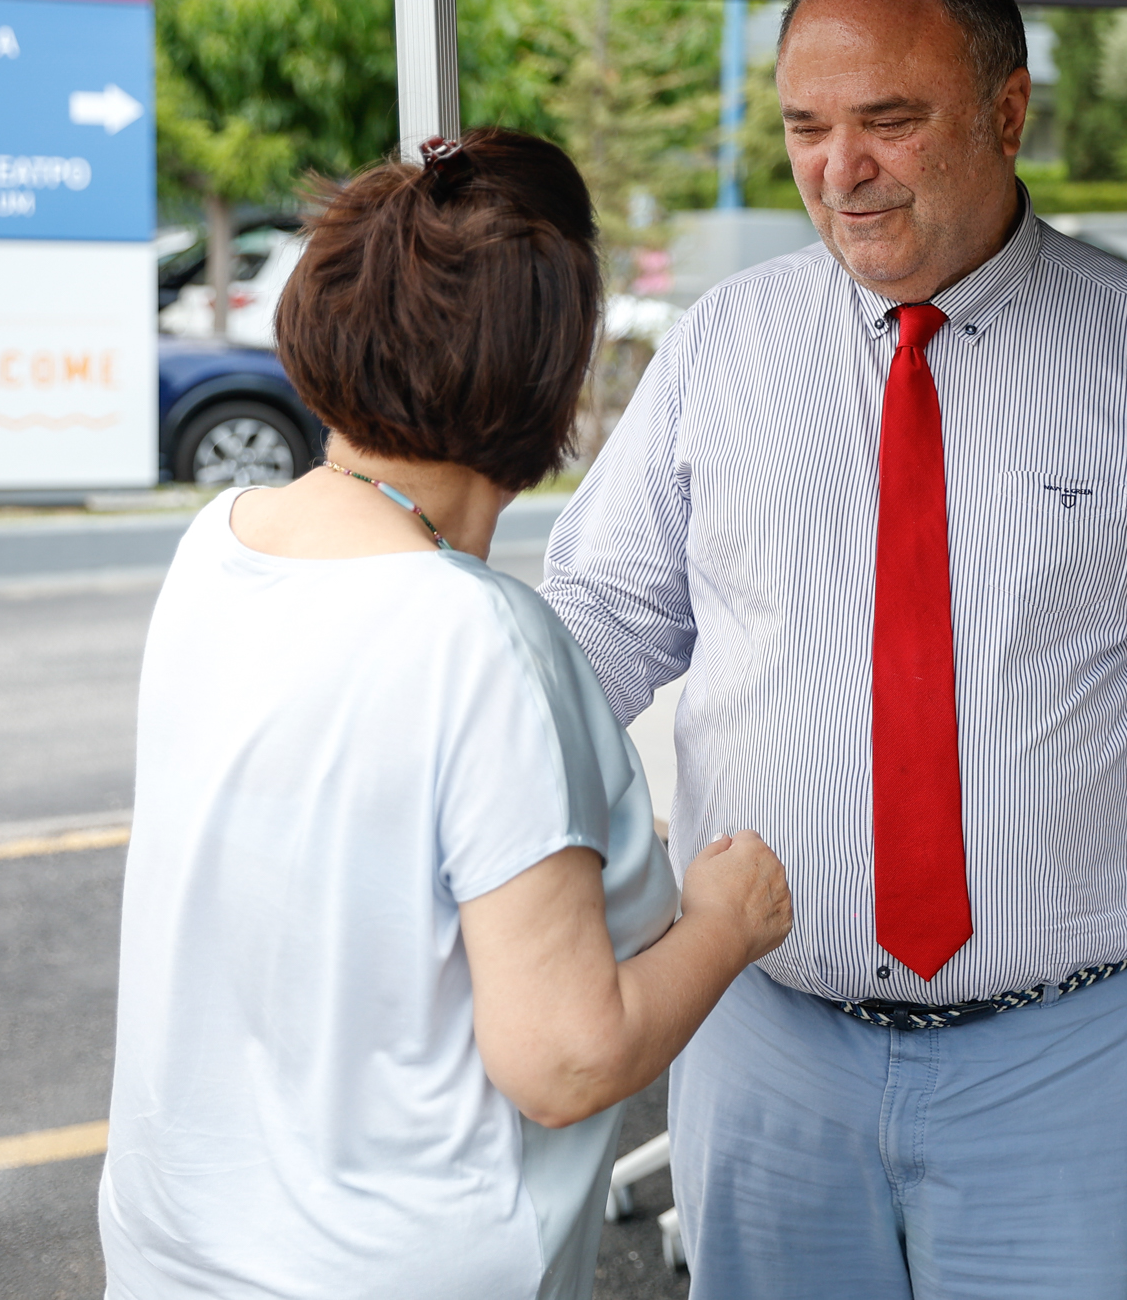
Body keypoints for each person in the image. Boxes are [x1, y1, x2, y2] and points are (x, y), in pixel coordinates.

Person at [540, 0, 1127, 1298]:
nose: (838, 169)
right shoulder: (722, 349)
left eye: (889, 121)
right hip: (769, 1037)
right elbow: (608, 618)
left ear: (1008, 109)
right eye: (807, 126)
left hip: (1074, 1055)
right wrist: (454, 754)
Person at [99, 131, 792, 1300]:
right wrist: (727, 921)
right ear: (547, 380)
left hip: (172, 1250)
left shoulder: (214, 549)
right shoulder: (479, 640)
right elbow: (565, 1057)